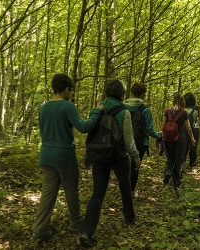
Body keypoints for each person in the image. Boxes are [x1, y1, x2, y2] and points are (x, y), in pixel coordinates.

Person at [32, 74, 103, 243]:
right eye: (71, 90)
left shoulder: (43, 108)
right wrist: (96, 113)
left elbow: (44, 132)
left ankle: (39, 229)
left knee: (48, 194)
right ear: (66, 89)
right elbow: (84, 127)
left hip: (46, 156)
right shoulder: (67, 106)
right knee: (71, 190)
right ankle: (76, 220)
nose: (71, 93)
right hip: (64, 156)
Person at [80, 80, 141, 247]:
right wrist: (135, 156)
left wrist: (88, 155)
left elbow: (91, 133)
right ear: (121, 94)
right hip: (118, 155)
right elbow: (128, 139)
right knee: (125, 187)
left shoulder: (98, 108)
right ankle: (129, 217)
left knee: (97, 194)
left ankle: (86, 231)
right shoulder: (124, 111)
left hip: (99, 155)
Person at [124, 82, 162, 199]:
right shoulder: (145, 109)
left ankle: (124, 189)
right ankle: (131, 191)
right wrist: (158, 135)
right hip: (140, 143)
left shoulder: (123, 106)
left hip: (124, 141)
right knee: (135, 167)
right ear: (143, 94)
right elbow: (150, 130)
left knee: (125, 165)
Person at [162, 93, 195, 188]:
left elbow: (163, 125)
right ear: (183, 101)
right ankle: (177, 180)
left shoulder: (167, 111)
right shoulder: (184, 113)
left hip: (169, 138)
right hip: (180, 138)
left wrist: (160, 135)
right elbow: (188, 127)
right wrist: (192, 138)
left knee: (170, 157)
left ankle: (168, 172)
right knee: (179, 159)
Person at [183, 92, 200, 167]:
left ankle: (182, 162)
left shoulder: (182, 109)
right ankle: (192, 162)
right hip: (195, 128)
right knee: (193, 145)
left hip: (184, 129)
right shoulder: (197, 108)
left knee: (184, 146)